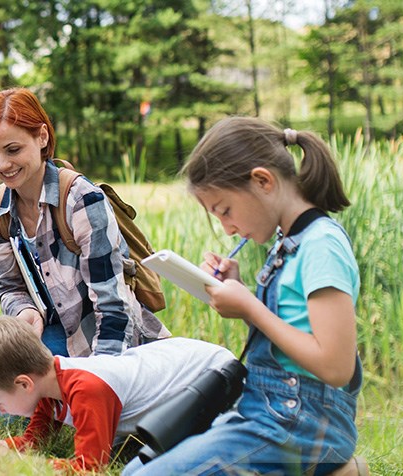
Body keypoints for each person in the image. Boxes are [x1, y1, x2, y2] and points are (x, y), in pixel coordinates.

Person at [123, 117, 363, 475]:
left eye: (225, 211)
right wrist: (245, 294)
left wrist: (251, 307)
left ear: (262, 181)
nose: (228, 228)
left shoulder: (321, 245)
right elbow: (296, 323)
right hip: (268, 410)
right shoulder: (289, 243)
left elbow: (336, 366)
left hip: (302, 424)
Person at [0, 87, 168, 357]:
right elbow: (10, 286)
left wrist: (101, 376)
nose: (3, 164)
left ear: (42, 137)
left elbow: (113, 306)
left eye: (13, 149)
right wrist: (25, 311)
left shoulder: (82, 200)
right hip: (52, 335)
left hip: (110, 340)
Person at [0, 316, 238, 472]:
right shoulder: (48, 386)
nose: (0, 411)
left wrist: (11, 467)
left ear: (23, 383)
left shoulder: (87, 389)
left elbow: (89, 468)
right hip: (180, 364)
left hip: (213, 378)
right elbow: (33, 444)